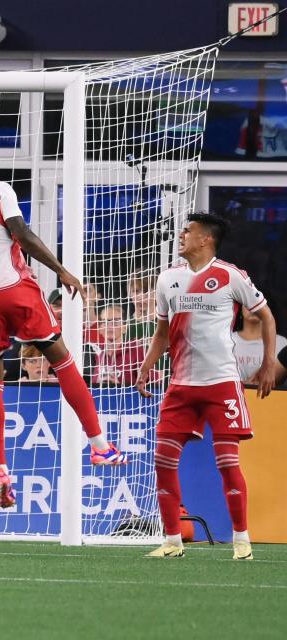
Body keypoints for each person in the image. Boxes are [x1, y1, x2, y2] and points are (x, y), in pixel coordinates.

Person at [0, 154, 125, 509]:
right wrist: (63, 271)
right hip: (13, 288)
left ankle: (0, 471)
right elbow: (20, 234)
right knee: (62, 357)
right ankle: (100, 446)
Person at [136, 212, 278, 561]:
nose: (182, 235)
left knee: (227, 463)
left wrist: (267, 364)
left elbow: (268, 317)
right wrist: (145, 368)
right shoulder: (168, 279)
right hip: (181, 387)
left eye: (189, 230)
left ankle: (242, 541)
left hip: (221, 385)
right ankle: (172, 541)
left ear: (206, 240)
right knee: (163, 462)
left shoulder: (230, 276)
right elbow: (162, 333)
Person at [92, 304, 147, 386]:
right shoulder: (93, 352)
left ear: (124, 328)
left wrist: (118, 386)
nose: (109, 326)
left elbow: (155, 386)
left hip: (127, 398)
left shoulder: (137, 351)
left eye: (116, 321)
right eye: (105, 322)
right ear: (99, 329)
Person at [232, 307, 287, 383]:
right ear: (240, 308)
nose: (253, 308)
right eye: (248, 302)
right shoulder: (227, 341)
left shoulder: (282, 343)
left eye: (259, 303)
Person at [125, 271, 158, 342]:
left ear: (157, 292)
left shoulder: (167, 325)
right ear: (129, 293)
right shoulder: (124, 328)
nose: (141, 297)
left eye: (146, 291)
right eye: (136, 291)